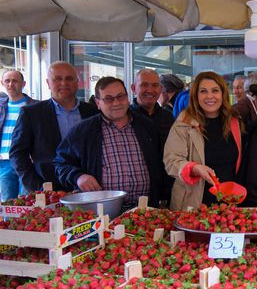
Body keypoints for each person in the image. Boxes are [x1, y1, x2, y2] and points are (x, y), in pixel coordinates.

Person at [53, 77, 169, 209]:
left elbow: (163, 163)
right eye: (108, 98)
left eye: (120, 96)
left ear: (128, 97)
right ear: (98, 103)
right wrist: (78, 177)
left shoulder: (147, 127)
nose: (116, 103)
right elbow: (60, 163)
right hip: (102, 211)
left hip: (146, 211)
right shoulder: (83, 131)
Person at [10, 61, 98, 192]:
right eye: (57, 79)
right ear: (48, 83)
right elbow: (18, 154)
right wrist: (37, 187)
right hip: (50, 190)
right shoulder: (31, 113)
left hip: (90, 188)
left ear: (77, 82)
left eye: (69, 78)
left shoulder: (93, 112)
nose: (64, 83)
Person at [164, 72, 242, 211]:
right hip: (192, 203)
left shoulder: (234, 121)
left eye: (215, 91)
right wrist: (194, 168)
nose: (210, 96)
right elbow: (171, 161)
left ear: (223, 94)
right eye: (203, 91)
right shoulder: (184, 122)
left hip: (228, 206)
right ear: (196, 95)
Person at [0, 70, 36, 201]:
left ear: (23, 83)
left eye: (15, 81)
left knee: (26, 200)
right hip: (4, 162)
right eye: (7, 81)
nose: (10, 84)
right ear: (2, 83)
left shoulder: (35, 107)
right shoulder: (1, 107)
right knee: (6, 203)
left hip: (27, 161)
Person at [130, 69, 175, 144]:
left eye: (155, 85)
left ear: (160, 89)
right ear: (134, 88)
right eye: (144, 85)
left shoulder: (168, 117)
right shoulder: (126, 117)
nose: (150, 90)